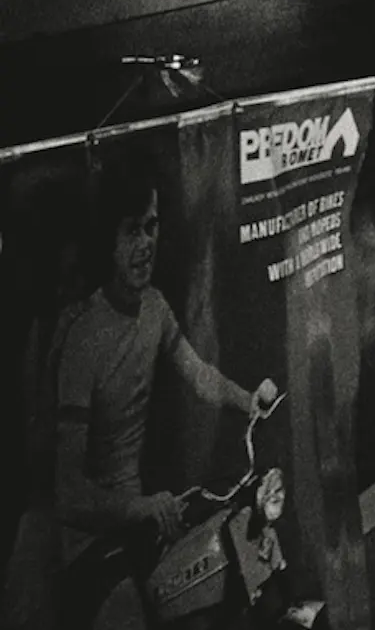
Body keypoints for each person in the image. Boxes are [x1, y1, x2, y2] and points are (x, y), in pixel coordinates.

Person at [50, 173, 279, 630]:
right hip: (90, 546)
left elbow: (199, 376)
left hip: (143, 527)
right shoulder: (84, 339)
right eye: (131, 230)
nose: (145, 243)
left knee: (215, 590)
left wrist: (248, 401)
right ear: (108, 240)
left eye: (151, 227)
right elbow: (68, 494)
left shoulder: (154, 308)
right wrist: (143, 507)